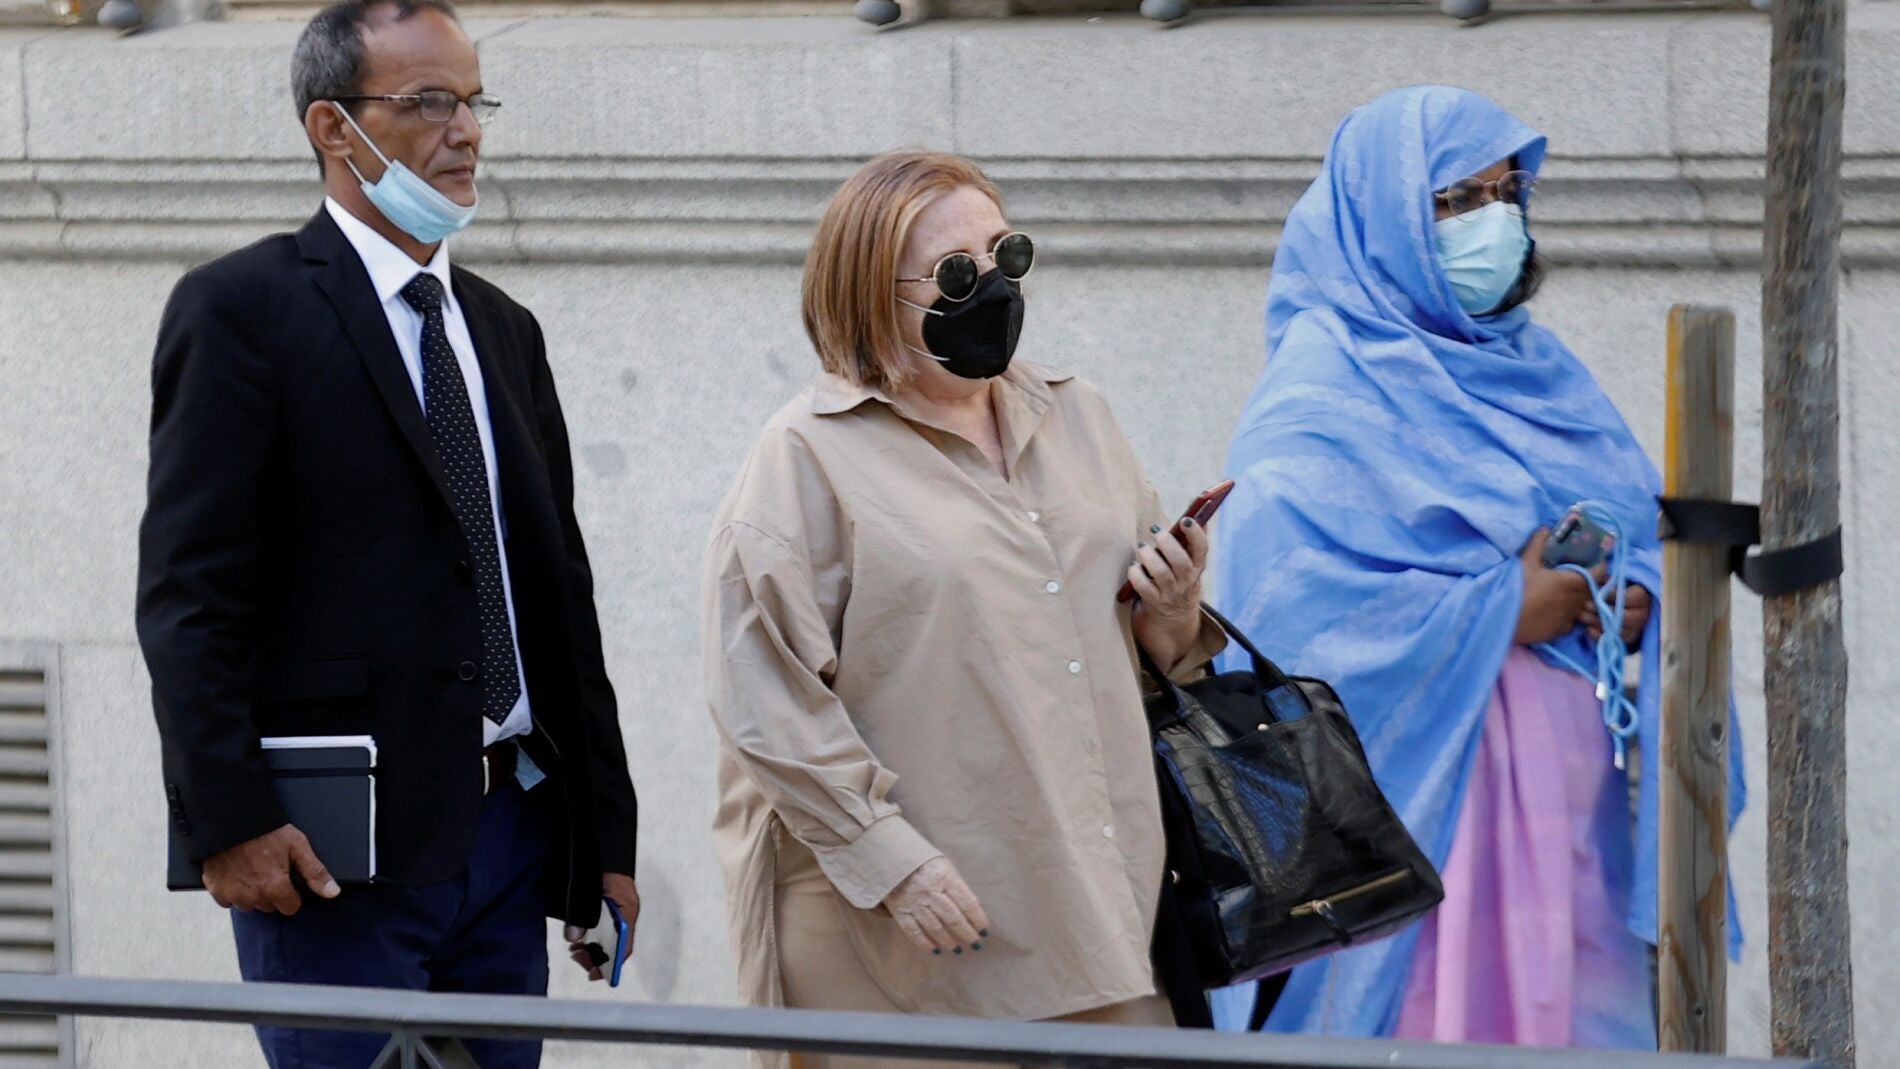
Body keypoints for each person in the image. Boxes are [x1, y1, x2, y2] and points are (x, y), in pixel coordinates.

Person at [135, 2, 639, 1065]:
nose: (467, 132)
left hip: (509, 837)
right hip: (331, 859)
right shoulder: (241, 310)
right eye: (430, 103)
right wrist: (229, 820)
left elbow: (558, 598)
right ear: (334, 127)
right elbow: (190, 597)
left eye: (475, 102)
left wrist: (604, 837)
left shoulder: (503, 329)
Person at [1209, 86, 1744, 1048]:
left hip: (1570, 819)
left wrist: (1629, 596)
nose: (1493, 223)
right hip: (1419, 838)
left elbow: (1635, 531)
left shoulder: (1540, 372)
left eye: (1507, 194)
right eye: (1457, 200)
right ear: (1383, 218)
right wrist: (1504, 608)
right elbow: (1283, 621)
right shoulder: (1318, 395)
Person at [702, 150, 1227, 1069]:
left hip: (1095, 895)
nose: (991, 286)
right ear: (870, 292)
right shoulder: (805, 456)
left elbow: (1146, 653)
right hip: (911, 926)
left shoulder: (1079, 414)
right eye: (954, 272)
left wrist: (1174, 607)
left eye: (1005, 255)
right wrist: (887, 854)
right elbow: (762, 697)